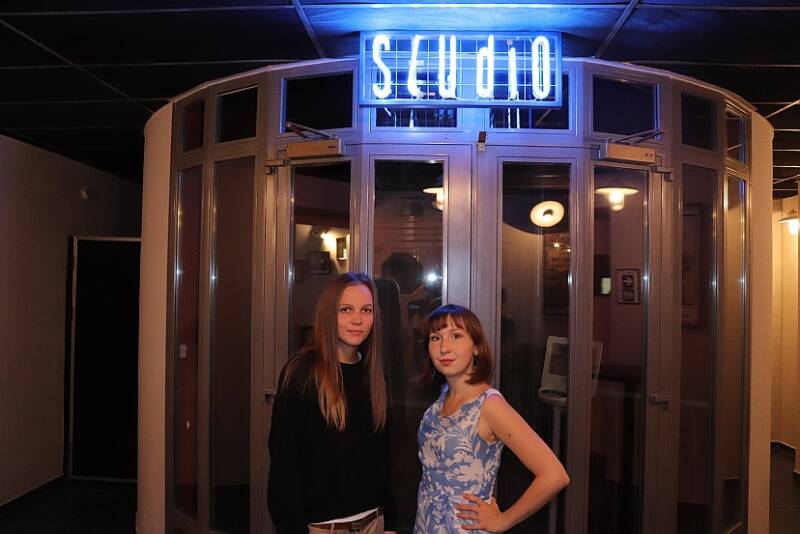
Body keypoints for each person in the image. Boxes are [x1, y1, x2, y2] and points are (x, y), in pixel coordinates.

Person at [414, 304, 569, 533]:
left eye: (456, 336)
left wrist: (503, 521)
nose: (444, 347)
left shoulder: (489, 404)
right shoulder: (443, 396)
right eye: (436, 338)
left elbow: (555, 475)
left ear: (476, 347)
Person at [268, 272, 395, 534]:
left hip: (375, 522)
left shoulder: (374, 373)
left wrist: (391, 522)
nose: (357, 320)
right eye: (346, 309)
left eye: (366, 310)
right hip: (324, 527)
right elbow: (284, 466)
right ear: (329, 314)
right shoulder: (302, 373)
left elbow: (384, 458)